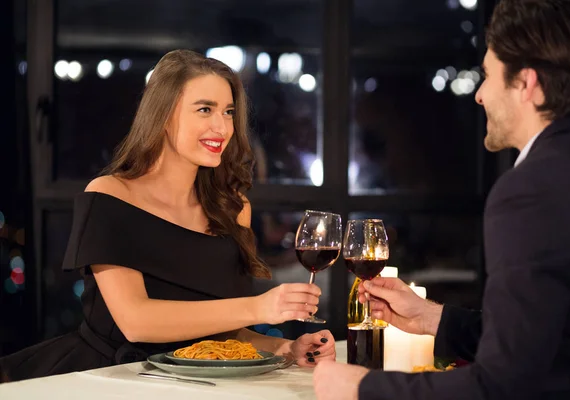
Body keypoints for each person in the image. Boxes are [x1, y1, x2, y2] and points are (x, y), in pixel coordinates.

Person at [313, 0, 570, 398]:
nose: (480, 95)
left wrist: (363, 388)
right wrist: (434, 318)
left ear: (526, 83)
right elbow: (554, 340)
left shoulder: (532, 190)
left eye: (488, 75)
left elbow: (502, 385)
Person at [0, 49, 335, 383]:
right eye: (205, 109)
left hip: (196, 383)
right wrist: (261, 307)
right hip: (106, 376)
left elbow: (224, 335)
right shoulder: (109, 195)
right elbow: (135, 321)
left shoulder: (234, 208)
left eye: (229, 112)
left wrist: (288, 347)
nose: (221, 126)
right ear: (162, 114)